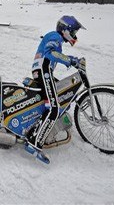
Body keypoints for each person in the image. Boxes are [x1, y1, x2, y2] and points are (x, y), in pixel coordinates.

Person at [25, 15, 86, 164]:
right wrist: (70, 60)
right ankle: (34, 143)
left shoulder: (57, 38)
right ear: (65, 30)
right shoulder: (55, 36)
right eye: (73, 32)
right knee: (53, 108)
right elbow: (50, 53)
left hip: (44, 71)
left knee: (63, 96)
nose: (74, 36)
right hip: (43, 70)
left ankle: (39, 128)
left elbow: (55, 53)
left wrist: (71, 59)